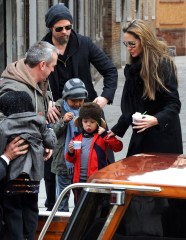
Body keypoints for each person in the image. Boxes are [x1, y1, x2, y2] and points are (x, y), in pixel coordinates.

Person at [107, 19, 183, 237]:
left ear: (144, 40)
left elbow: (174, 104)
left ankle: (166, 231)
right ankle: (137, 230)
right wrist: (117, 130)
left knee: (160, 188)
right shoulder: (133, 66)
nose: (129, 49)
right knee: (136, 184)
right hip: (141, 133)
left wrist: (155, 120)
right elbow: (131, 106)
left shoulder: (161, 63)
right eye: (126, 45)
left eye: (132, 44)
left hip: (163, 134)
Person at [42, 3, 118, 209]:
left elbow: (110, 70)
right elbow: (33, 80)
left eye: (68, 27)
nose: (65, 32)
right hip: (57, 115)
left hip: (88, 114)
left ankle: (99, 207)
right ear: (51, 28)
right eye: (59, 28)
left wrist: (104, 98)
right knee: (54, 165)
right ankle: (55, 208)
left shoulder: (84, 44)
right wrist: (46, 101)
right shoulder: (42, 49)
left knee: (100, 159)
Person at [0, 91, 57, 240]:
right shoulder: (39, 121)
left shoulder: (4, 125)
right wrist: (49, 129)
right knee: (31, 208)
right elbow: (51, 143)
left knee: (13, 210)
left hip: (12, 178)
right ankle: (29, 236)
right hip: (33, 179)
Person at [0, 40, 59, 160]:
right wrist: (6, 157)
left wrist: (44, 141)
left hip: (32, 161)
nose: (53, 70)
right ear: (42, 65)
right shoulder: (15, 90)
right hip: (18, 169)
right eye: (52, 66)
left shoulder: (38, 82)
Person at [66, 102, 123, 203]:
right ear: (81, 122)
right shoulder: (76, 138)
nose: (88, 124)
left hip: (97, 181)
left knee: (96, 207)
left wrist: (105, 134)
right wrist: (70, 152)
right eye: (85, 121)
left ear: (98, 123)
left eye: (92, 122)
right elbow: (70, 159)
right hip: (79, 182)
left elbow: (118, 147)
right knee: (79, 208)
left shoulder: (102, 137)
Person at [51, 78, 88, 212]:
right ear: (66, 98)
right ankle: (62, 224)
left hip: (81, 162)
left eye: (81, 100)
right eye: (74, 100)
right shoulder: (57, 109)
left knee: (81, 197)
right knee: (62, 196)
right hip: (63, 161)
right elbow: (51, 133)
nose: (78, 104)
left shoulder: (86, 110)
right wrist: (63, 121)